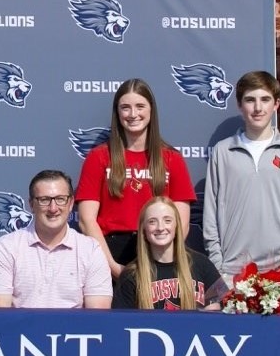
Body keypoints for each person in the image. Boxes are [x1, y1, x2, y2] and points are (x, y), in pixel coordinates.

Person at [76, 78, 195, 280]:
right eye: (125, 107)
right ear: (117, 112)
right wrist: (112, 268)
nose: (133, 114)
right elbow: (86, 220)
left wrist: (163, 263)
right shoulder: (98, 157)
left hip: (157, 251)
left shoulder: (172, 159)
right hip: (111, 254)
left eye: (140, 106)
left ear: (151, 110)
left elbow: (181, 222)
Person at [203, 70, 280, 276]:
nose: (257, 108)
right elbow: (210, 213)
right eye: (250, 100)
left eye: (265, 99)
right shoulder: (222, 151)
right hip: (233, 270)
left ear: (276, 105)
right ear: (239, 105)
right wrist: (217, 263)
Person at [0, 169, 113, 309]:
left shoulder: (91, 250)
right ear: (31, 205)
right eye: (44, 200)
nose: (53, 208)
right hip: (21, 331)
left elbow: (97, 318)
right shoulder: (6, 247)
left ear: (70, 204)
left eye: (60, 199)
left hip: (72, 330)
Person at [113, 196, 226, 310]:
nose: (160, 227)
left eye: (167, 220)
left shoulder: (202, 264)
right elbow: (121, 323)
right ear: (143, 229)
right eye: (152, 222)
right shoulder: (131, 275)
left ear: (176, 226)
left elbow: (218, 313)